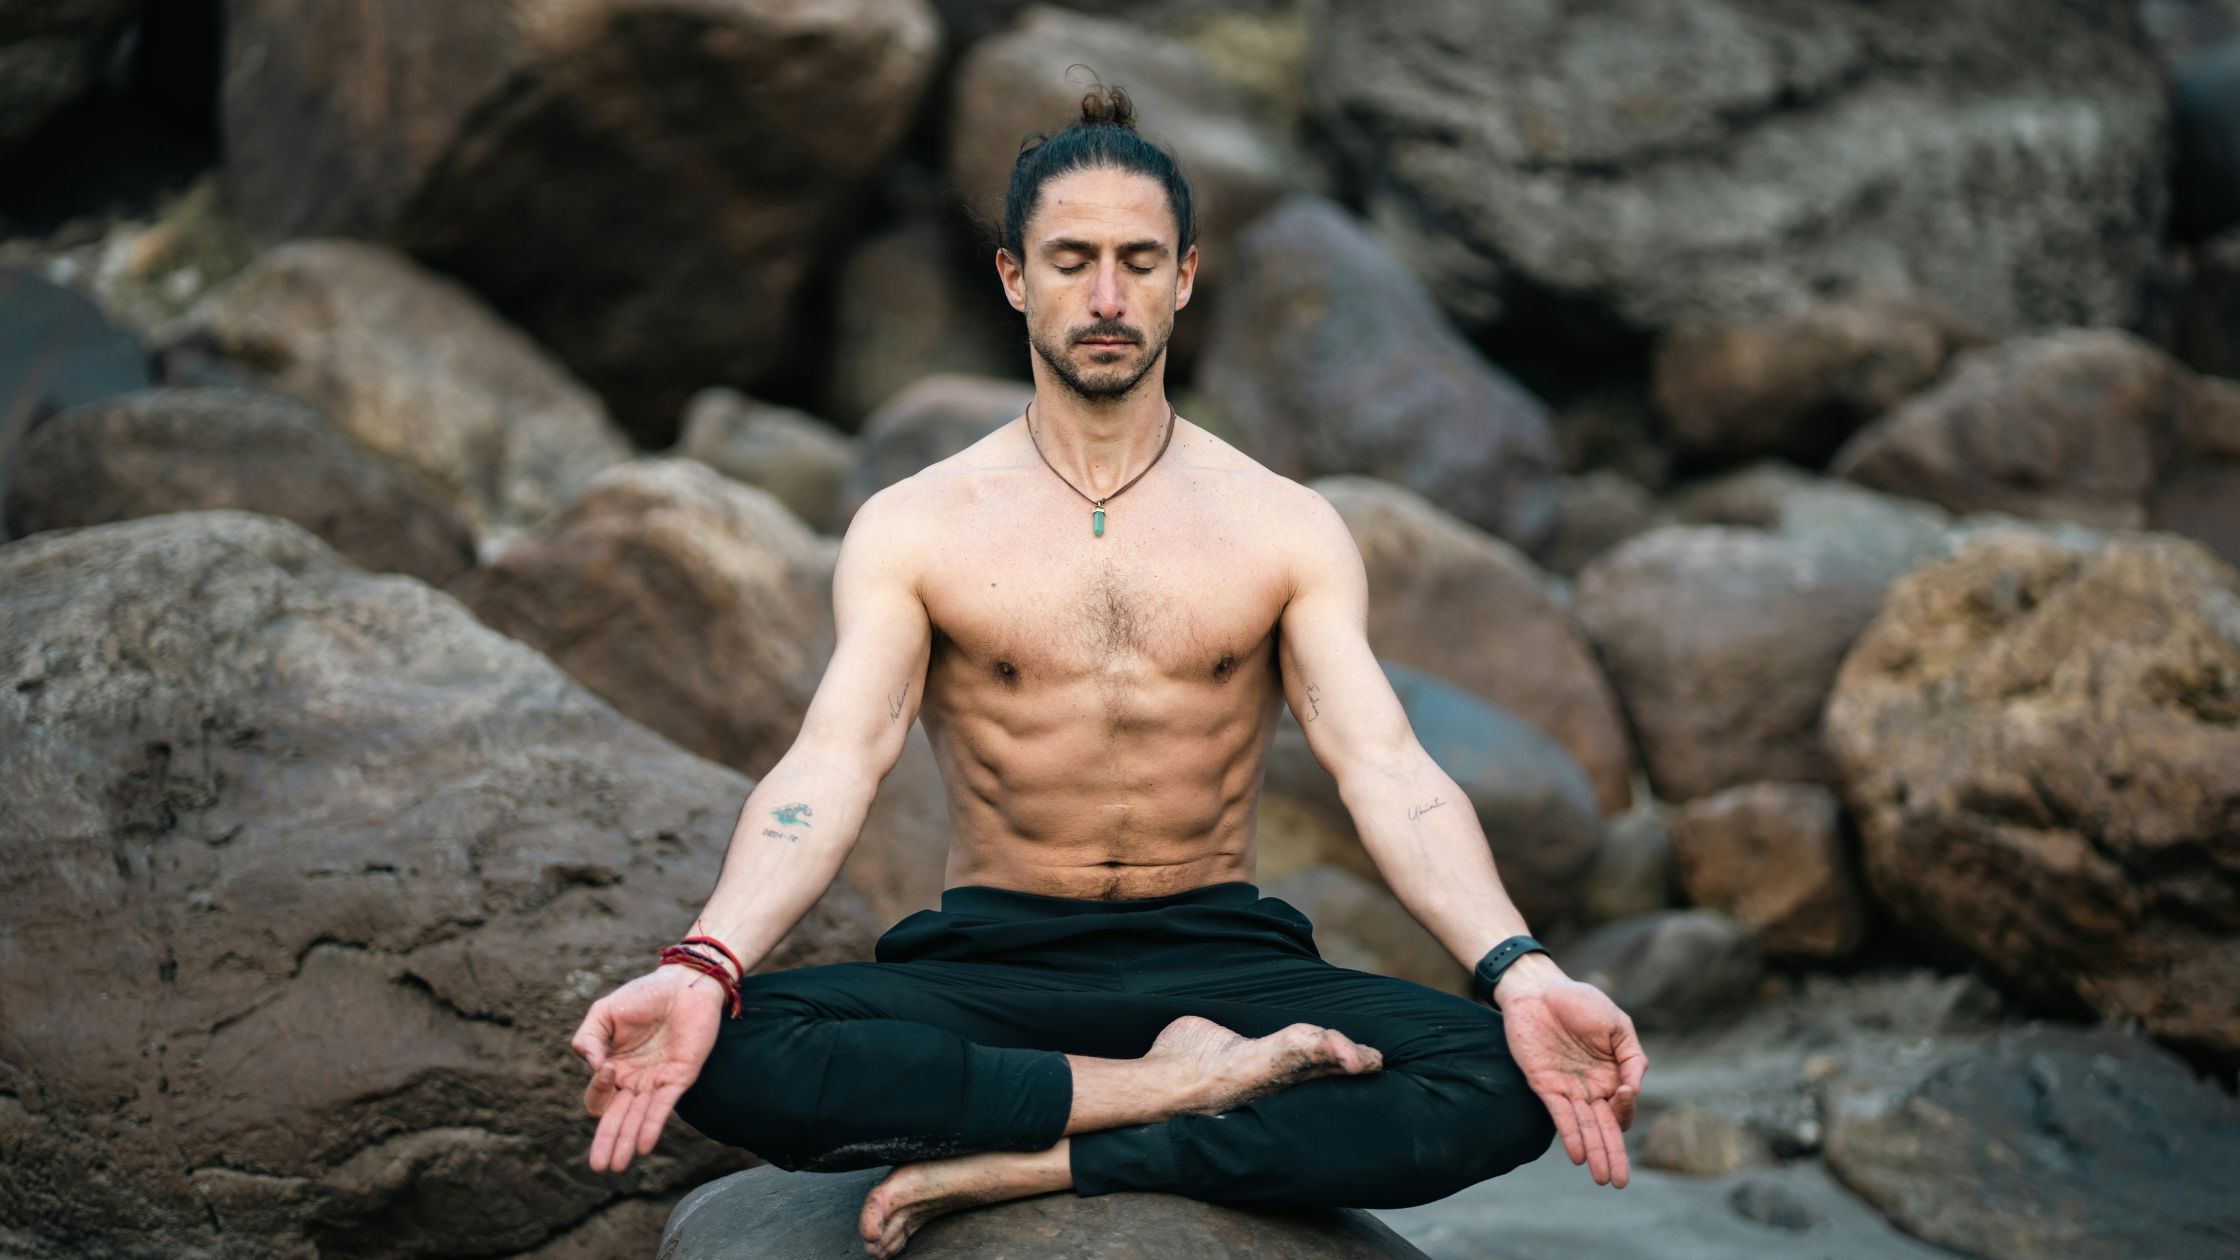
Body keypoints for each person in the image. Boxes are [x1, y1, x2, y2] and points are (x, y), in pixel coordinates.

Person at [569, 81, 1648, 1259]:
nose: (1103, 298)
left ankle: (1057, 1149)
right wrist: (703, 963)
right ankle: (1172, 1095)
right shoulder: (918, 525)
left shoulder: (1279, 525)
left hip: (1220, 959)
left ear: (1183, 277)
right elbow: (834, 760)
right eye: (1069, 260)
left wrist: (1521, 971)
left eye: (1137, 262)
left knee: (1505, 1075)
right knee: (721, 1049)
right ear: (1011, 278)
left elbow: (1385, 768)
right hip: (995, 962)